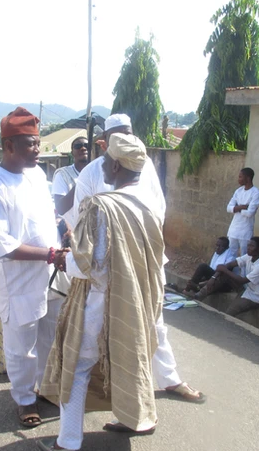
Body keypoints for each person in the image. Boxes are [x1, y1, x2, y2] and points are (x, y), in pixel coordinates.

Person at [38, 133, 165, 451]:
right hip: (137, 303)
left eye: (107, 160)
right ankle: (138, 418)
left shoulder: (102, 206)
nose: (103, 165)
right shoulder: (151, 204)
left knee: (76, 365)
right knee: (131, 357)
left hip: (99, 303)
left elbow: (85, 267)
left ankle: (68, 444)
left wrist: (58, 257)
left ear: (118, 164)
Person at [67, 113, 204, 403]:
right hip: (108, 271)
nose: (126, 139)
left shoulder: (144, 166)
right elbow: (82, 221)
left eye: (129, 133)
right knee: (97, 335)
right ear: (106, 143)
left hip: (146, 262)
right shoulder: (92, 172)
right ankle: (95, 397)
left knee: (155, 324)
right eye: (118, 135)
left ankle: (170, 380)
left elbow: (159, 210)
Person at [0, 107, 67, 428]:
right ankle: (25, 399)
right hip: (19, 282)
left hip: (50, 276)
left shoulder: (38, 175)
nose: (38, 149)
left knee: (51, 338)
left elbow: (44, 217)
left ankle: (47, 389)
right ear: (9, 146)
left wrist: (62, 232)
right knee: (21, 347)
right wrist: (52, 254)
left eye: (38, 142)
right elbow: (4, 245)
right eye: (30, 143)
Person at [208, 236, 259, 316]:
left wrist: (224, 269)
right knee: (225, 274)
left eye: (252, 246)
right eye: (248, 245)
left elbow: (242, 280)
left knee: (229, 313)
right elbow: (231, 264)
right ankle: (199, 293)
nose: (248, 248)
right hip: (246, 288)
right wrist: (213, 277)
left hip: (256, 296)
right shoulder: (249, 256)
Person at [226, 168, 259, 258]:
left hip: (245, 230)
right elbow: (228, 208)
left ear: (248, 178)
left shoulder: (256, 193)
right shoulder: (238, 191)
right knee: (231, 253)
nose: (239, 179)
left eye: (240, 177)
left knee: (245, 255)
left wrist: (236, 208)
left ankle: (243, 273)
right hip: (234, 228)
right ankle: (230, 271)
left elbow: (250, 213)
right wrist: (242, 207)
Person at [51, 135, 89, 219]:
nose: (83, 148)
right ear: (72, 153)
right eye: (78, 146)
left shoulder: (99, 172)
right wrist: (83, 180)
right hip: (74, 229)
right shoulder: (63, 175)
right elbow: (60, 209)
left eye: (86, 146)